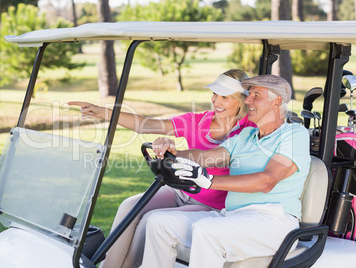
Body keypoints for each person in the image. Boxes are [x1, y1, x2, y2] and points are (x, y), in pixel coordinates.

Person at [68, 69, 256, 268]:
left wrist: (177, 153)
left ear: (241, 100)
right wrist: (102, 112)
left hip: (211, 203)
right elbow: (146, 125)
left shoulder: (249, 129)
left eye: (224, 97)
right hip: (179, 190)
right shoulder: (199, 121)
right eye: (215, 94)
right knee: (130, 206)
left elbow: (218, 158)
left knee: (150, 220)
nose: (216, 101)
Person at [141, 75, 311, 268]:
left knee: (207, 230)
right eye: (248, 95)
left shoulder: (294, 134)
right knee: (158, 222)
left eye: (256, 95)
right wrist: (173, 152)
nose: (248, 100)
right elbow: (205, 156)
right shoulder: (246, 135)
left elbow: (267, 181)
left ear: (277, 101)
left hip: (273, 221)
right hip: (232, 216)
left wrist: (209, 180)